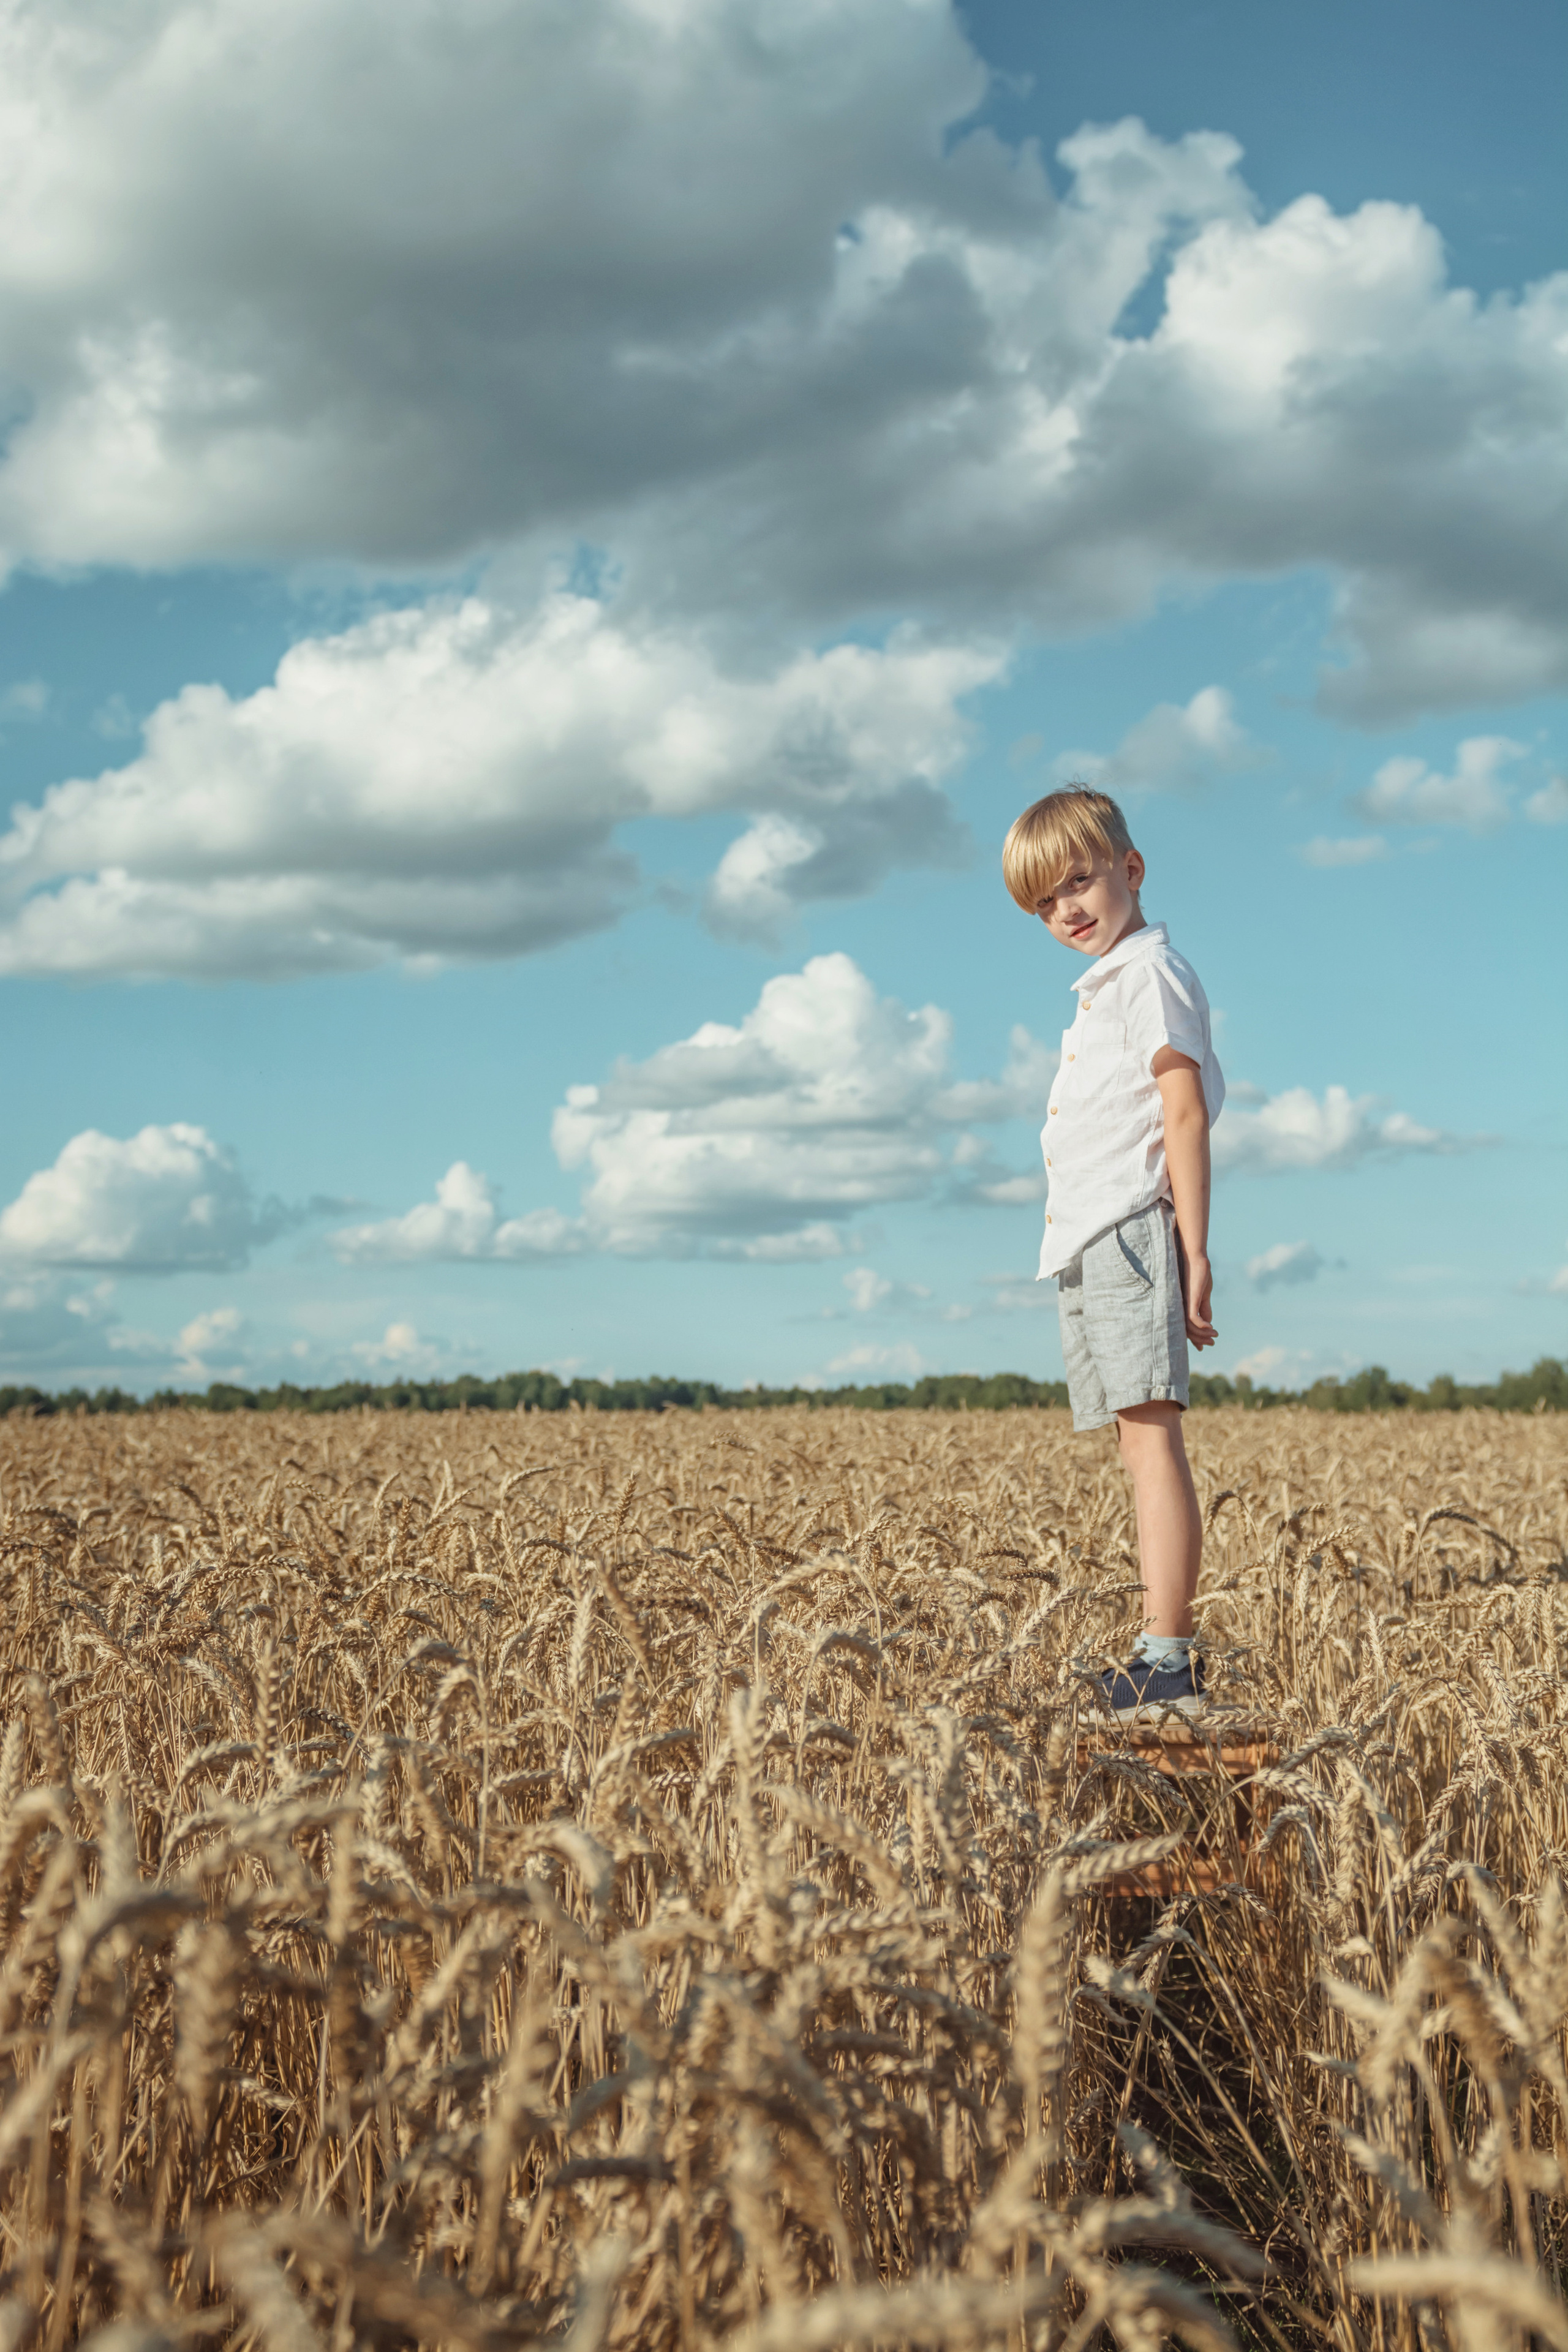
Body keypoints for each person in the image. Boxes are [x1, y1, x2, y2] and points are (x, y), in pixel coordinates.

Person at [1002, 786, 1224, 1719]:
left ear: (1131, 869)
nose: (1066, 909)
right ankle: (1153, 1648)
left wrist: (1195, 1250)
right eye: (1044, 902)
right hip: (1091, 1238)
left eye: (1079, 882)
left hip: (1133, 1230)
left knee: (1152, 1436)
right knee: (1136, 1443)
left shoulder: (1149, 974)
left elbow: (1183, 1111)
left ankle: (1169, 1661)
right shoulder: (1104, 989)